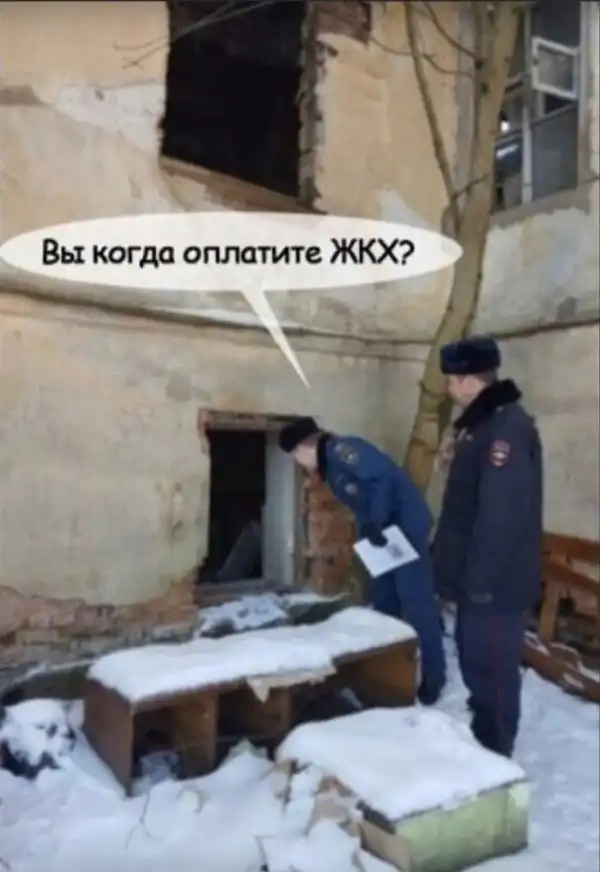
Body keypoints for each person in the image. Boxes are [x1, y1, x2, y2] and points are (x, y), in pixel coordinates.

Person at [278, 417, 446, 705]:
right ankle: (389, 668)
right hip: (381, 536)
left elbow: (382, 478)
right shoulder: (330, 467)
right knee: (384, 599)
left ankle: (435, 674)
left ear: (306, 446)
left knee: (415, 599)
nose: (298, 462)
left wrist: (376, 522)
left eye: (295, 454)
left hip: (402, 530)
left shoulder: (342, 451)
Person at [433, 336, 543, 757]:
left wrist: (479, 582)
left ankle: (496, 753)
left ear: (468, 380)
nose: (449, 389)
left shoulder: (504, 430)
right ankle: (484, 742)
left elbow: (501, 515)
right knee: (475, 664)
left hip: (494, 584)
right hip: (476, 580)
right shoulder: (480, 425)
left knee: (492, 672)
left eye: (451, 381)